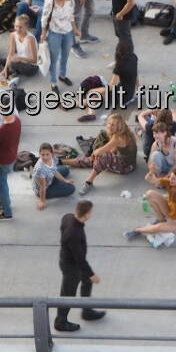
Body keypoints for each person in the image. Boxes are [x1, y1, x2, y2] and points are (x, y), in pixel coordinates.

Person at [54, 199, 103, 332]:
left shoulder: (67, 217)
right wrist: (92, 274)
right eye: (91, 212)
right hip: (71, 266)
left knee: (86, 282)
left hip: (70, 260)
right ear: (86, 214)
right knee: (67, 294)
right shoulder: (73, 234)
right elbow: (80, 259)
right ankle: (60, 321)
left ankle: (86, 310)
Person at [69, 112, 138, 194]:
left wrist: (96, 155)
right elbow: (113, 150)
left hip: (126, 167)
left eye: (113, 125)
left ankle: (88, 182)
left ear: (119, 127)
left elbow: (98, 152)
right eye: (109, 123)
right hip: (129, 162)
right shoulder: (125, 132)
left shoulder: (117, 138)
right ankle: (62, 161)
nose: (109, 126)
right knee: (99, 155)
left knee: (101, 156)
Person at [126, 173, 176, 248]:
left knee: (158, 228)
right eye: (170, 177)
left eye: (173, 179)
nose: (170, 179)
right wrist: (151, 171)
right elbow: (151, 180)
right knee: (150, 194)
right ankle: (161, 219)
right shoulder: (170, 182)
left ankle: (137, 230)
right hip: (170, 213)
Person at [76, 38, 139, 123]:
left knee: (93, 93)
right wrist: (137, 89)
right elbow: (136, 76)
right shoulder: (134, 58)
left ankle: (91, 113)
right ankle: (73, 104)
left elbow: (111, 86)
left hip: (119, 97)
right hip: (129, 95)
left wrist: (94, 90)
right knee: (98, 93)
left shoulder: (119, 66)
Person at [40, 0, 78, 87]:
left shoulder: (70, 1)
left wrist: (75, 29)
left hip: (68, 32)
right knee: (54, 58)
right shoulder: (50, 2)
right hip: (54, 33)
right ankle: (53, 82)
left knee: (65, 56)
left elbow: (71, 16)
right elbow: (44, 19)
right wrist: (43, 33)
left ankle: (62, 76)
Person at [0, 108, 22, 221]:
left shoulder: (1, 131)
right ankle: (3, 202)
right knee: (4, 182)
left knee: (1, 186)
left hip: (2, 161)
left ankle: (7, 212)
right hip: (12, 157)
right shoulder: (17, 120)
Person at [33, 143, 76, 210]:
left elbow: (54, 170)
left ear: (52, 154)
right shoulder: (40, 169)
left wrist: (65, 180)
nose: (45, 157)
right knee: (71, 188)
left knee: (65, 170)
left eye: (47, 154)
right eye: (42, 155)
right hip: (44, 189)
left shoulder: (53, 159)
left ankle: (58, 184)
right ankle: (57, 186)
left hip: (49, 178)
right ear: (39, 154)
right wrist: (42, 201)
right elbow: (42, 187)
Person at [2, 14, 41, 81]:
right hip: (18, 62)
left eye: (20, 27)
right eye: (16, 26)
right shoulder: (13, 35)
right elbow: (11, 53)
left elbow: (35, 60)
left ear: (26, 27)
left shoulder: (30, 39)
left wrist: (20, 58)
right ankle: (10, 73)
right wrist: (4, 69)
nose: (17, 29)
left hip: (31, 66)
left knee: (12, 63)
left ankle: (12, 73)